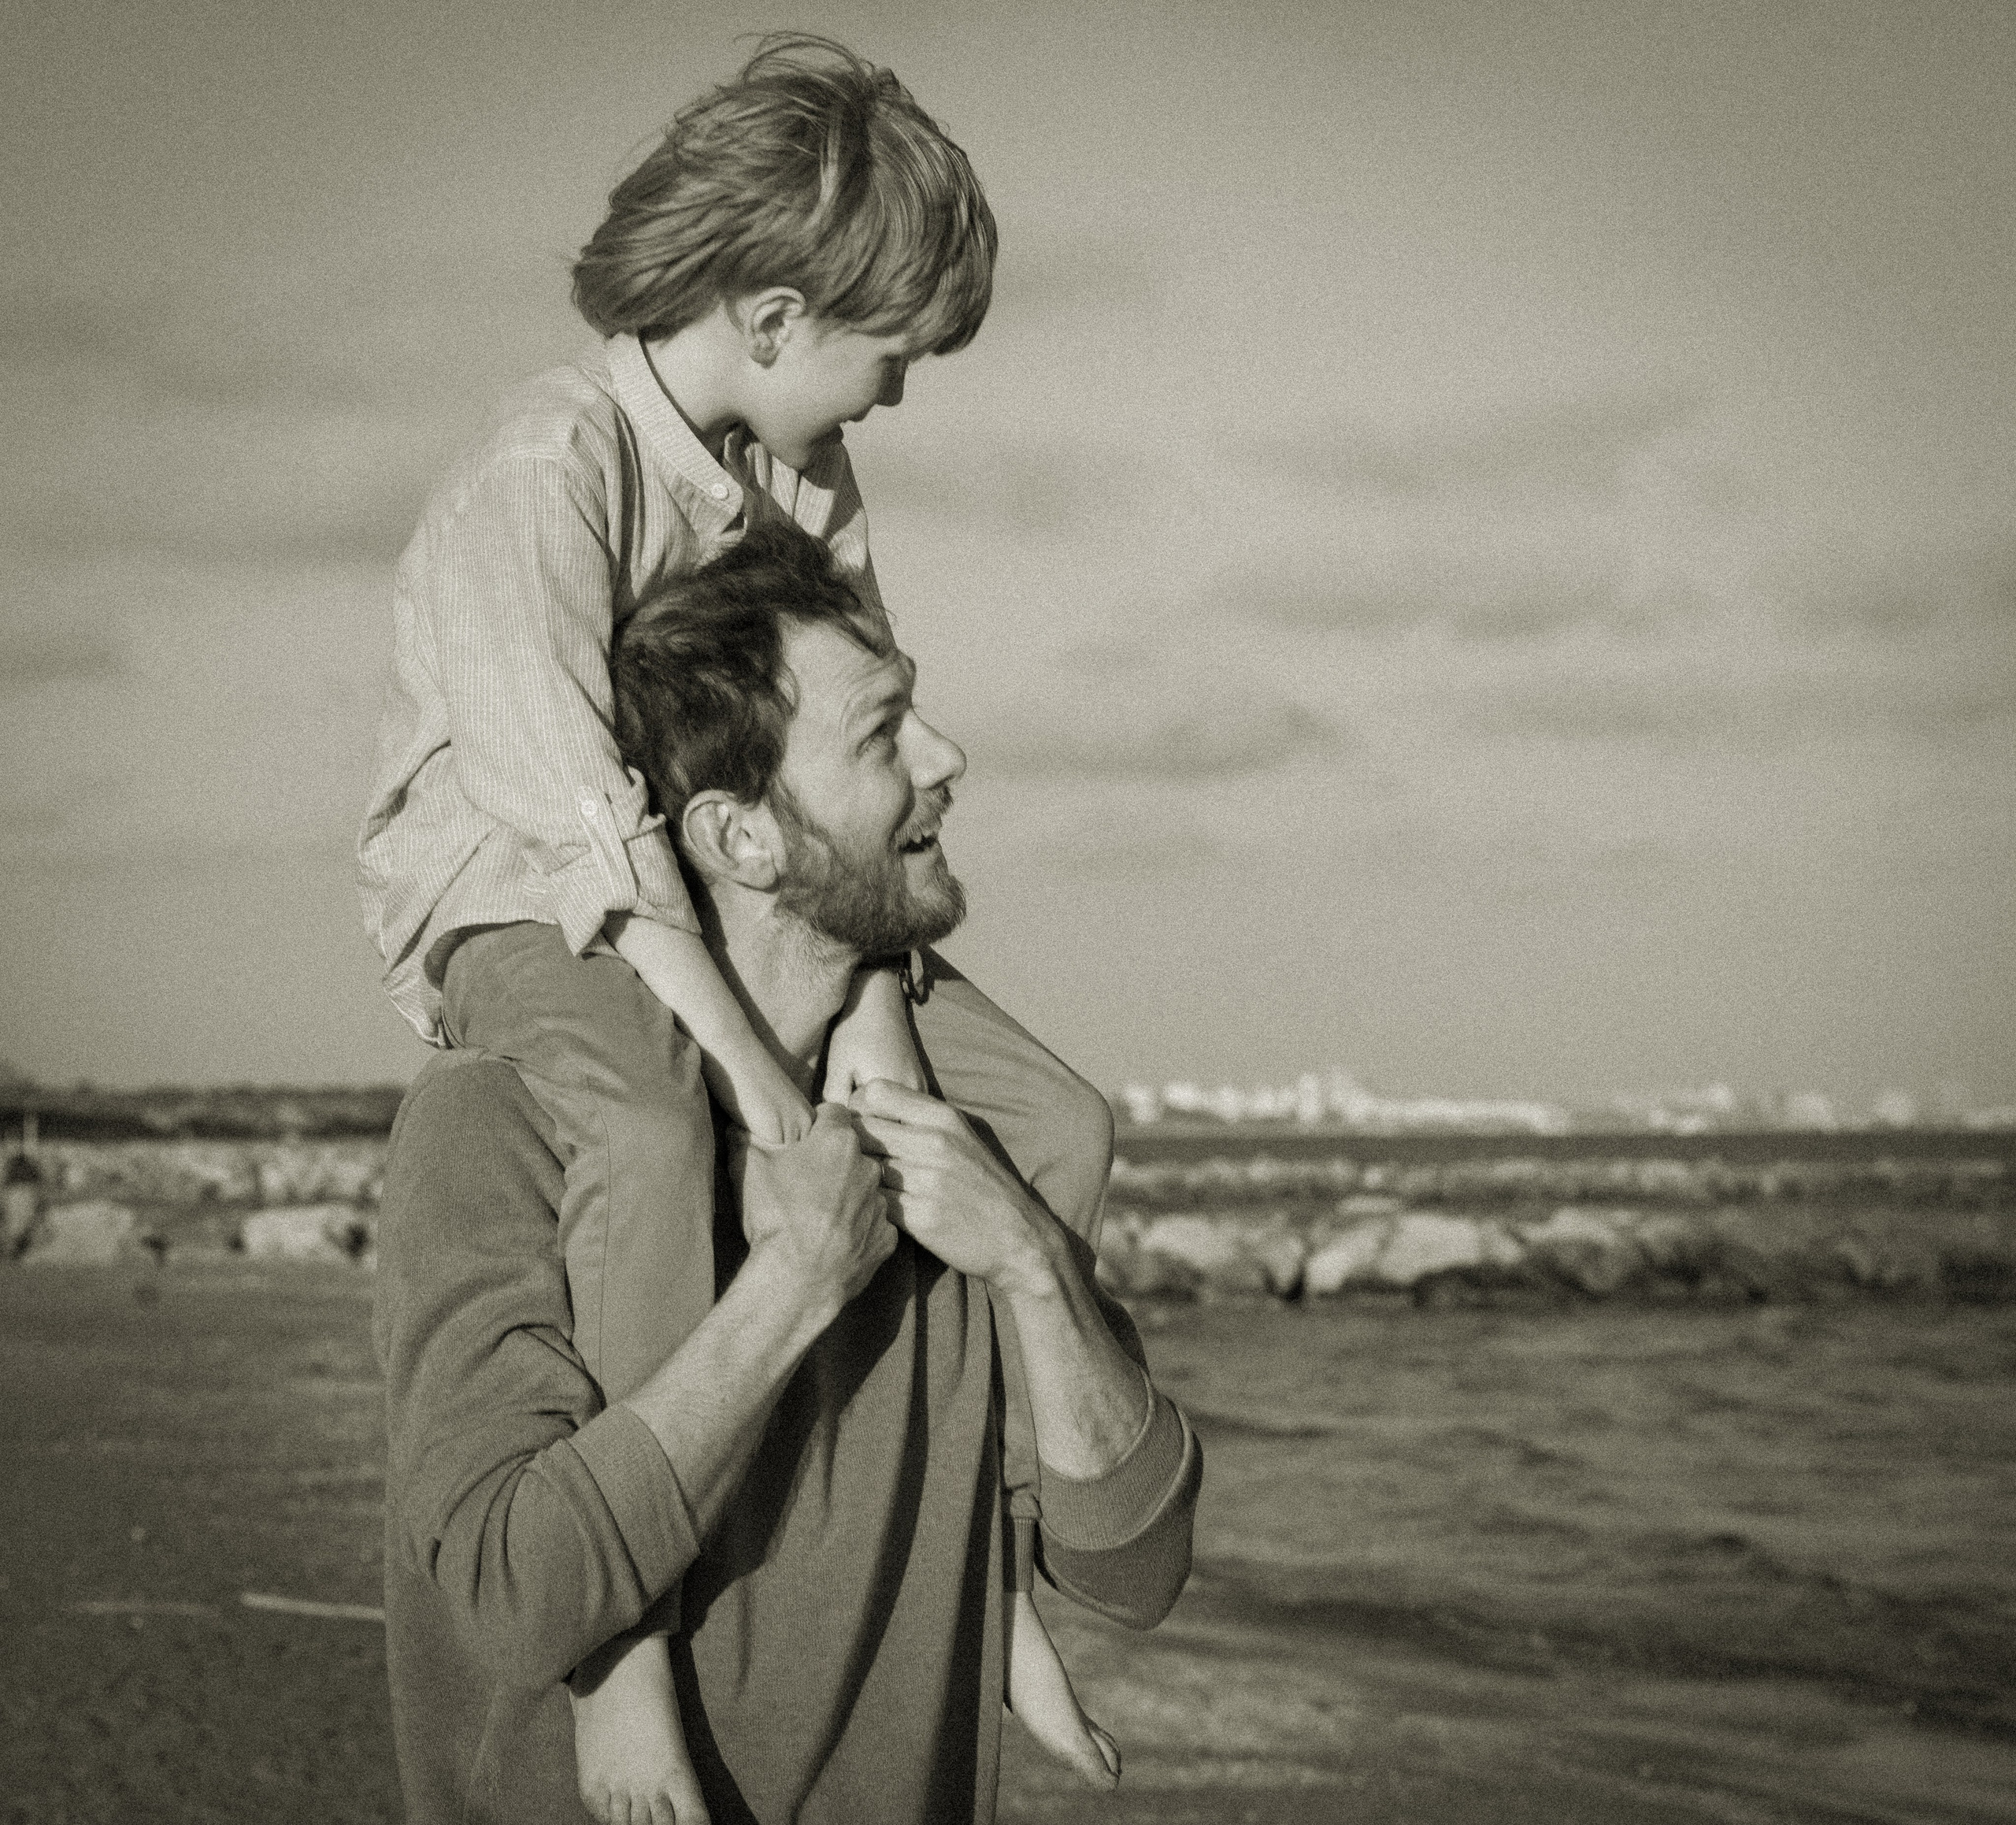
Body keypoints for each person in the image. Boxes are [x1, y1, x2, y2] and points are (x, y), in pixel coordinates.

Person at [354, 35, 1115, 1814]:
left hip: (743, 889)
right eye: (888, 357)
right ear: (771, 315)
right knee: (638, 1118)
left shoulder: (805, 485)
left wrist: (865, 1030)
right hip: (528, 895)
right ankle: (626, 1671)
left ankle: (992, 1578)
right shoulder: (543, 474)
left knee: (1049, 1127)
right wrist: (770, 1105)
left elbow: (853, 753)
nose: (898, 401)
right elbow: (585, 833)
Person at [375, 521, 1201, 1824]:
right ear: (741, 838)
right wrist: (799, 1279)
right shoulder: (500, 1126)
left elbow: (1138, 1569)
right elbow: (511, 1590)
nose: (948, 760)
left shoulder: (951, 1142)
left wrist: (1034, 1265)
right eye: (883, 736)